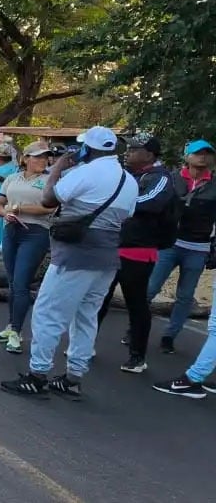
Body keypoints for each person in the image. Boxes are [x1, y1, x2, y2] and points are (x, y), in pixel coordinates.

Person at [0, 126, 138, 399]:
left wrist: (58, 168)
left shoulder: (86, 172)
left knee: (48, 313)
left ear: (88, 148)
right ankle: (73, 377)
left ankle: (38, 375)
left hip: (75, 256)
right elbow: (127, 216)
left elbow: (48, 199)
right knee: (86, 318)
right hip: (107, 259)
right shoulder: (128, 180)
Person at [95, 133, 177, 373]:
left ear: (150, 154)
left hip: (139, 249)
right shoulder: (127, 175)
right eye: (128, 149)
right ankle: (85, 344)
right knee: (99, 297)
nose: (128, 153)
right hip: (113, 244)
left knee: (136, 303)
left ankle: (137, 356)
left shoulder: (161, 178)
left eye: (134, 149)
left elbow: (151, 202)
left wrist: (116, 203)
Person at [145, 139, 216, 354]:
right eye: (198, 153)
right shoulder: (172, 179)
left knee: (185, 296)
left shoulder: (214, 184)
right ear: (187, 156)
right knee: (149, 289)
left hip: (198, 246)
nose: (202, 157)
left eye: (207, 153)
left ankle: (169, 336)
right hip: (169, 243)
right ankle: (136, 329)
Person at [0, 142, 56, 354]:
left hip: (35, 233)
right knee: (12, 281)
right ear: (25, 158)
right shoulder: (12, 178)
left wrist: (20, 208)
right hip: (12, 230)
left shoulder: (49, 181)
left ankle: (17, 331)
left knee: (21, 282)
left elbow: (50, 207)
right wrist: (5, 213)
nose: (42, 161)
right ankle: (11, 326)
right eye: (37, 157)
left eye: (45, 157)